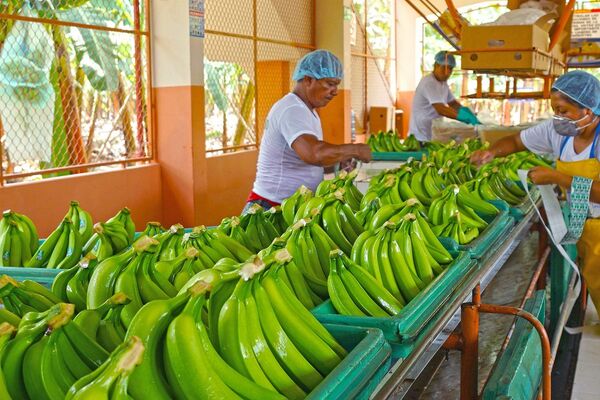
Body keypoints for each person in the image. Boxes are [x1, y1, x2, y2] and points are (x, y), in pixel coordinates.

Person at [471, 70, 600, 315]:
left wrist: (556, 177)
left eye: (564, 111)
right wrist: (491, 153)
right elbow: (516, 142)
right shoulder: (558, 132)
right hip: (584, 226)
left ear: (588, 110)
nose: (558, 117)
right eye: (555, 109)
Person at [244, 50, 372, 212]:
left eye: (337, 85)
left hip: (292, 206)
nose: (335, 91)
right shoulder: (292, 109)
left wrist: (337, 161)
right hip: (271, 207)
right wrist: (355, 149)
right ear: (308, 79)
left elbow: (306, 161)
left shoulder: (308, 111)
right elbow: (313, 153)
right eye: (330, 84)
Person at [408, 50, 480, 142]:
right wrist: (462, 117)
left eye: (450, 69)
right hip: (420, 136)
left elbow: (453, 103)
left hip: (432, 133)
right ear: (436, 66)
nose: (448, 73)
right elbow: (441, 109)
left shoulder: (443, 83)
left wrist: (466, 112)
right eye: (444, 68)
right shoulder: (429, 83)